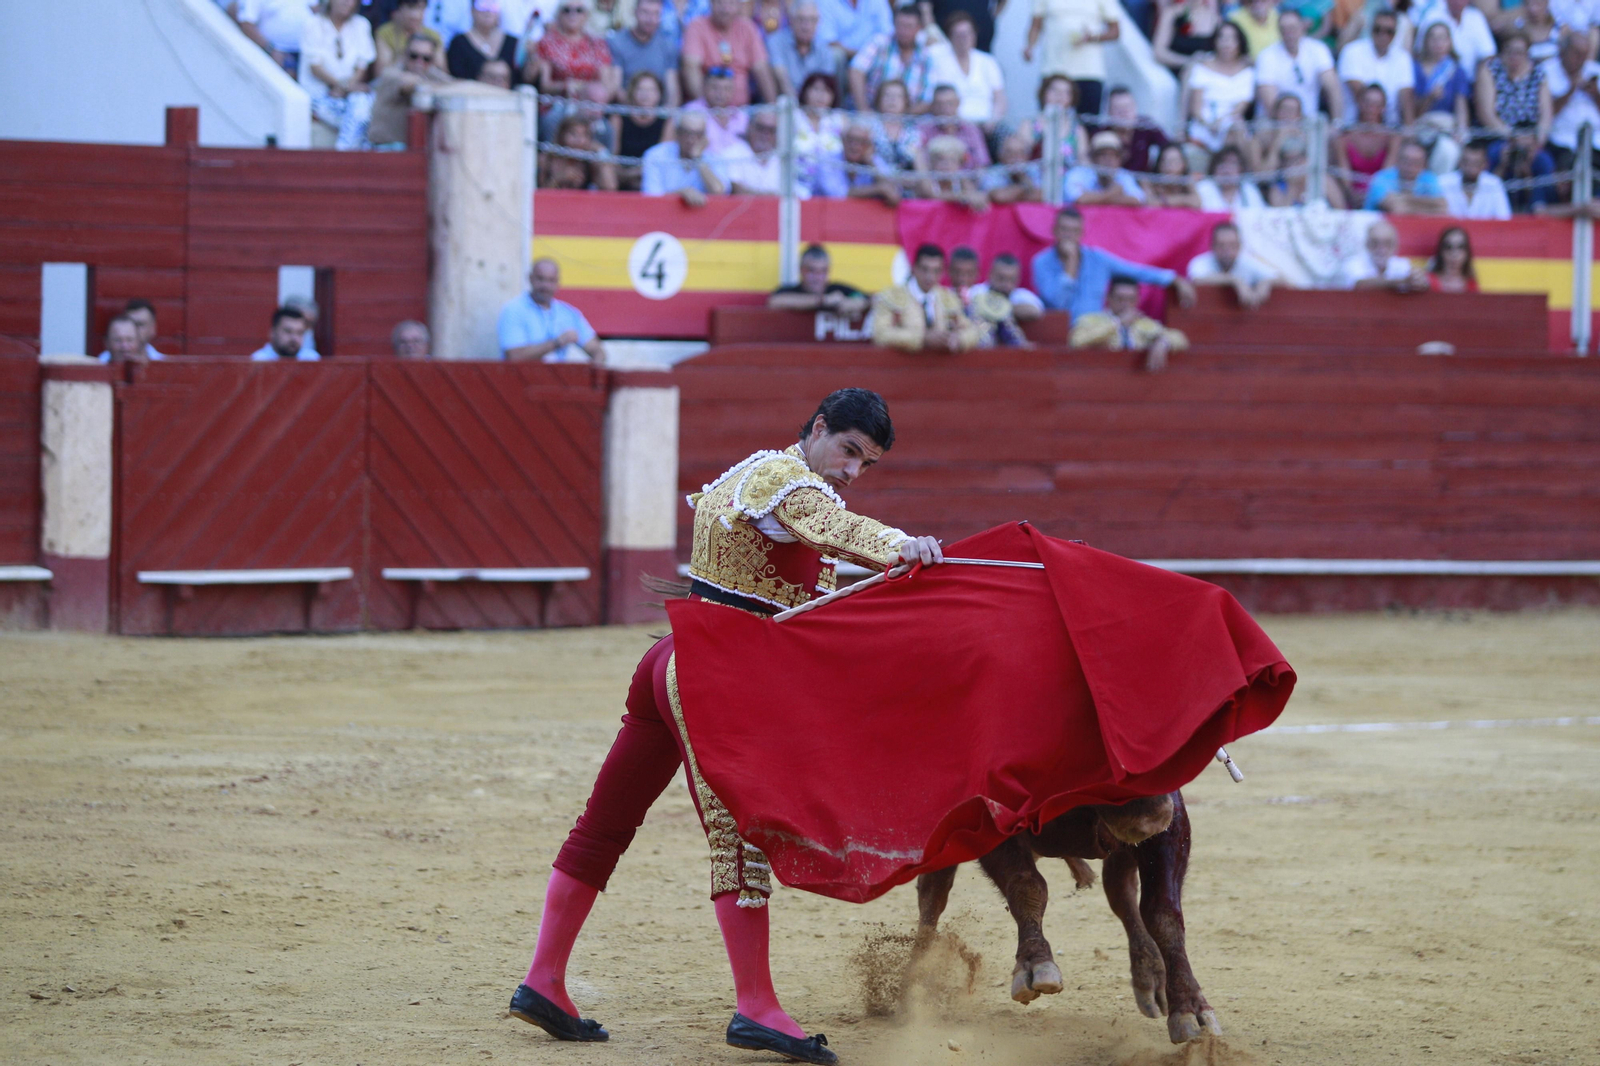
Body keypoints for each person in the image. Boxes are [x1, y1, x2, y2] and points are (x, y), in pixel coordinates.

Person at [509, 387, 942, 1066]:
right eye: (850, 451)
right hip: (711, 677)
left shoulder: (756, 470)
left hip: (672, 660)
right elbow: (835, 529)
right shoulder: (788, 482)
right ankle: (756, 1007)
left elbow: (803, 583)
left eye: (868, 464)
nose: (853, 472)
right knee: (738, 838)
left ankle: (544, 980)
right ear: (820, 428)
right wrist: (899, 546)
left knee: (605, 823)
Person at [1031, 207, 1197, 321]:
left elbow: (1136, 271)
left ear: (1081, 233)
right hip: (1057, 337)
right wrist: (1071, 264)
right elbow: (1059, 305)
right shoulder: (1041, 262)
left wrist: (1174, 279)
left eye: (1074, 231)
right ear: (1054, 231)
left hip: (1094, 334)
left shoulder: (1098, 259)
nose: (1069, 236)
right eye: (1064, 230)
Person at [1478, 31, 1554, 212]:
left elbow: (1546, 114)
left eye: (1520, 52)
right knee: (1494, 157)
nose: (1514, 56)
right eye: (1510, 51)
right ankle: (1492, 209)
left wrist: (1537, 139)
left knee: (1544, 163)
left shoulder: (1538, 73)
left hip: (1530, 137)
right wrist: (1512, 136)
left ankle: (1536, 209)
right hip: (1499, 135)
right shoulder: (1490, 70)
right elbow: (1486, 114)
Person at [872, 244, 982, 351]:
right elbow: (880, 334)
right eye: (925, 269)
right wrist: (922, 338)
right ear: (914, 268)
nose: (930, 277)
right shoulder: (892, 296)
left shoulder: (948, 298)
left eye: (936, 271)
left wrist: (957, 339)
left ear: (942, 272)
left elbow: (972, 331)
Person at [300, 0, 378, 150]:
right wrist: (340, 85)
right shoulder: (313, 23)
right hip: (320, 93)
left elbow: (362, 65)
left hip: (347, 93)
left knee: (362, 106)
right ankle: (351, 154)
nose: (347, 3)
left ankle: (343, 151)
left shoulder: (361, 24)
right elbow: (315, 67)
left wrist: (345, 88)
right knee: (361, 118)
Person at [1069, 275, 1189, 372]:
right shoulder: (1091, 320)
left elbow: (1180, 338)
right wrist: (1118, 323)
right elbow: (1076, 341)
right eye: (1120, 299)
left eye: (1131, 299)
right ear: (1108, 298)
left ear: (1137, 300)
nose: (1126, 304)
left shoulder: (1143, 324)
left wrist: (1163, 342)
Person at [1024, 0, 1122, 117]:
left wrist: (1092, 37)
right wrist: (1030, 47)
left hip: (1089, 72)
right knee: (1049, 123)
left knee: (1088, 125)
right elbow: (1035, 25)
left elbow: (1115, 31)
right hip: (1053, 70)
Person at [498, 259, 607, 363]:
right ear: (530, 279)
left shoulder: (568, 313)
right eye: (541, 279)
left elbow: (598, 352)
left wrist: (592, 376)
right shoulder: (513, 310)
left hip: (559, 380)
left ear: (558, 282)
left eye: (551, 280)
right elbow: (514, 356)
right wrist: (558, 342)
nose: (546, 285)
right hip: (522, 380)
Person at [682, 0, 777, 103]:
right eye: (720, 3)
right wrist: (705, 108)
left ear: (738, 6)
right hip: (706, 110)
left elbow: (761, 69)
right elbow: (690, 67)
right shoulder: (696, 27)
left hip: (742, 110)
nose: (725, 9)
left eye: (731, 3)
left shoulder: (747, 28)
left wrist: (772, 106)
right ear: (711, 3)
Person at [1543, 31, 1600, 198]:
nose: (1581, 59)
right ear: (1563, 50)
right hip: (1560, 140)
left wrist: (1596, 95)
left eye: (1584, 54)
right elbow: (1546, 113)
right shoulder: (1546, 71)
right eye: (1576, 54)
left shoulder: (1595, 71)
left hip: (1596, 140)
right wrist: (1571, 89)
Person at [369, 33, 453, 146]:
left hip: (415, 149)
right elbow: (409, 83)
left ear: (432, 60)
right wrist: (439, 86)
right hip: (387, 147)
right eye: (414, 56)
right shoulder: (390, 74)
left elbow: (453, 84)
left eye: (426, 58)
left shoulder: (430, 73)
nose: (420, 62)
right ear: (404, 55)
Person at [1411, 21, 1473, 174]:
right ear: (1425, 42)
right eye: (1433, 38)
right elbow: (1411, 111)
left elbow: (1461, 106)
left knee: (1448, 150)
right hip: (1421, 125)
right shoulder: (1414, 68)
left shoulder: (1456, 71)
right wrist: (1429, 97)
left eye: (1442, 38)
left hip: (1446, 126)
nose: (1438, 43)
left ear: (1449, 42)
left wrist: (1461, 131)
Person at [849, 6, 937, 113]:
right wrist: (863, 109)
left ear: (919, 28)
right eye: (900, 25)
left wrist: (898, 120)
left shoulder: (926, 56)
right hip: (872, 113)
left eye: (909, 26)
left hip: (909, 120)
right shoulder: (879, 43)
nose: (903, 31)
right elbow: (856, 71)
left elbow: (928, 99)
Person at [1186, 21, 1255, 155]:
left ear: (1239, 42)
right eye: (1222, 38)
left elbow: (1240, 108)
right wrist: (1209, 124)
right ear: (1215, 41)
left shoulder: (1247, 72)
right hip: (1204, 125)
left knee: (1236, 130)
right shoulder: (1201, 67)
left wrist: (1221, 123)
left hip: (1230, 123)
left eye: (1232, 39)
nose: (1226, 43)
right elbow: (1195, 108)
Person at [927, 12, 1006, 129]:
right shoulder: (936, 58)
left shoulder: (988, 61)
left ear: (974, 35)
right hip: (951, 125)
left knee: (1013, 143)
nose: (963, 39)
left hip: (987, 125)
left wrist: (993, 121)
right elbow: (931, 96)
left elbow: (1000, 99)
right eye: (958, 35)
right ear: (950, 37)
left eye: (967, 34)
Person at [1255, 9, 1338, 119]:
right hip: (1276, 123)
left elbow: (1332, 86)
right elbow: (1270, 101)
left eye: (1292, 28)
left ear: (1302, 27)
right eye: (1283, 29)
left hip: (1309, 121)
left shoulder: (1318, 49)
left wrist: (1337, 121)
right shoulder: (1266, 56)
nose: (1288, 33)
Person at [1336, 10, 1412, 124]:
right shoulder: (1352, 51)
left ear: (1395, 34)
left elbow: (1406, 99)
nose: (1383, 35)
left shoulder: (1403, 57)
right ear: (1371, 29)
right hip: (1354, 126)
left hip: (1391, 129)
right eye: (1378, 29)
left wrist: (1410, 130)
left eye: (1389, 31)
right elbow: (1362, 97)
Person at [1332, 84, 1400, 206]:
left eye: (1377, 105)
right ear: (1359, 104)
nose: (1371, 108)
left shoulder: (1392, 138)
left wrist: (1371, 195)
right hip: (1351, 196)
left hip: (1382, 195)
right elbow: (1344, 174)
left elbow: (1387, 174)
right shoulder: (1344, 137)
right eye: (1367, 103)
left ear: (1383, 108)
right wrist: (1351, 194)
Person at [642, 111, 727, 205]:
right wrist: (681, 194)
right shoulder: (656, 155)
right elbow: (651, 198)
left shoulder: (713, 157)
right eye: (686, 133)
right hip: (663, 217)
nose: (691, 139)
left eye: (698, 134)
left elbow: (719, 192)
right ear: (677, 133)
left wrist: (697, 158)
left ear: (704, 136)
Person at [535, 0, 615, 97]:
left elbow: (605, 83)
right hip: (558, 102)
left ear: (586, 15)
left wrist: (588, 91)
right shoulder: (547, 42)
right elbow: (545, 85)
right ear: (559, 14)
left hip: (591, 101)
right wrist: (565, 86)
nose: (573, 14)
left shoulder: (597, 44)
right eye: (567, 10)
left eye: (579, 10)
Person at [1186, 220, 1273, 309]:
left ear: (1239, 246)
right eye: (1221, 245)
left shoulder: (1247, 262)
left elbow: (1280, 278)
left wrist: (1266, 282)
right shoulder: (1200, 262)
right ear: (1212, 246)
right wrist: (1233, 281)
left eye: (1232, 245)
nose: (1227, 250)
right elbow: (1197, 280)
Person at [608, 0, 681, 105]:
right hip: (626, 109)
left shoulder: (668, 46)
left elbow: (673, 91)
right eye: (645, 12)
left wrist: (666, 117)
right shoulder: (617, 42)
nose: (650, 19)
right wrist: (640, 112)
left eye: (656, 13)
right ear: (635, 12)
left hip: (658, 112)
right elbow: (615, 87)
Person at [810, 121, 903, 202]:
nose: (854, 146)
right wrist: (878, 189)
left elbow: (894, 196)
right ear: (843, 140)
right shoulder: (828, 161)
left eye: (861, 141)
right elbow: (838, 194)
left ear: (868, 145)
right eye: (851, 140)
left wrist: (871, 164)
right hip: (825, 218)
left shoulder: (874, 161)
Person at [768, 244, 870, 316]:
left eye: (822, 271)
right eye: (812, 271)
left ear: (828, 271)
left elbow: (868, 299)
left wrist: (856, 303)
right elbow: (775, 301)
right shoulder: (792, 291)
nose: (817, 277)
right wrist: (823, 300)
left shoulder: (837, 289)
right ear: (801, 270)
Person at [1086, 85, 1167, 173]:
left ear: (1135, 107)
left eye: (1127, 107)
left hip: (1142, 182)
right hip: (1110, 182)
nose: (1124, 113)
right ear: (1109, 111)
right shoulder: (1101, 133)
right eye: (1118, 109)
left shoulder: (1146, 126)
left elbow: (1169, 147)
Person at [769, 0, 839, 99]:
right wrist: (796, 107)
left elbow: (826, 86)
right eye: (801, 19)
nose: (806, 26)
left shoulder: (824, 49)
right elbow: (782, 79)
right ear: (791, 20)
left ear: (818, 22)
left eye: (812, 20)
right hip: (785, 104)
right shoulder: (776, 42)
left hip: (815, 106)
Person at [614, 72, 673, 188]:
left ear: (659, 94)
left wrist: (637, 173)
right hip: (620, 179)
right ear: (632, 92)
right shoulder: (618, 118)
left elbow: (663, 159)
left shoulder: (666, 121)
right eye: (641, 89)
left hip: (654, 179)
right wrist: (625, 175)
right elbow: (612, 158)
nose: (646, 95)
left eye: (651, 90)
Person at [1338, 218, 1427, 291]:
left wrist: (1419, 281)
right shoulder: (1352, 263)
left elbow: (1421, 285)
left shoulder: (1402, 265)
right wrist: (1400, 282)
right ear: (1366, 244)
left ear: (1395, 246)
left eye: (1387, 243)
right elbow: (1359, 285)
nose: (1381, 249)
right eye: (1375, 243)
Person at [714, 110, 790, 195]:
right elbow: (737, 190)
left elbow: (790, 194)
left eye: (771, 130)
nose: (766, 134)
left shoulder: (783, 158)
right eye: (761, 128)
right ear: (750, 127)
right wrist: (772, 196)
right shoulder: (732, 153)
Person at [1419, 0, 1496, 81]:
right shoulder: (1432, 15)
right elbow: (1420, 51)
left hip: (1472, 79)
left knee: (1487, 69)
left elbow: (1488, 53)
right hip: (1439, 79)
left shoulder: (1476, 16)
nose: (1458, 2)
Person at [1363, 138, 1446, 213]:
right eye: (1406, 161)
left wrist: (1402, 200)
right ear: (1397, 161)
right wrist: (1429, 204)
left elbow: (1442, 207)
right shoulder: (1381, 178)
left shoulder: (1429, 178)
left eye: (1416, 163)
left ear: (1424, 165)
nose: (1410, 167)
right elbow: (1396, 209)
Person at [1065, 130, 1147, 204]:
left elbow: (1137, 200)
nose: (1108, 160)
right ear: (1093, 158)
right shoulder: (1079, 173)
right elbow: (1079, 199)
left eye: (1113, 155)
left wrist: (1094, 198)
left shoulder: (1124, 175)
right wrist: (1111, 193)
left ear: (1119, 160)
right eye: (1103, 154)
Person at [920, 84, 991, 168]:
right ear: (933, 106)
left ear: (958, 103)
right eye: (939, 104)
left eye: (950, 103)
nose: (945, 109)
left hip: (968, 179)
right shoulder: (923, 130)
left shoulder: (971, 130)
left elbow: (982, 162)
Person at [448, 0, 521, 81]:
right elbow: (454, 77)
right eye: (482, 5)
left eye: (492, 6)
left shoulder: (514, 43)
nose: (488, 11)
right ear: (472, 10)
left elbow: (521, 76)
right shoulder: (458, 43)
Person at [543, 113, 621, 188]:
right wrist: (558, 179)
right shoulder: (548, 159)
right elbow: (538, 194)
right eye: (573, 134)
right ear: (562, 135)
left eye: (584, 135)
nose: (579, 140)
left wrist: (601, 151)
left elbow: (610, 187)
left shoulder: (591, 161)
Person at [684, 67, 750, 154]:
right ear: (704, 87)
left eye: (726, 89)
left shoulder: (741, 116)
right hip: (700, 165)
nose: (721, 93)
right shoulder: (690, 111)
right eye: (715, 88)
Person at [239, 0, 314, 75]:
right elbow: (246, 24)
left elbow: (316, 10)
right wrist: (271, 50)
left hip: (304, 53)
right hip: (275, 52)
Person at [1029, 75, 1088, 171]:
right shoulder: (1029, 125)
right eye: (1054, 90)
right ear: (1044, 93)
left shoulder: (1078, 129)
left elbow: (1083, 160)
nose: (1060, 95)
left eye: (1066, 92)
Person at [1439, 140, 1511, 218]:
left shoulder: (1494, 184)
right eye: (1467, 163)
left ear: (1485, 164)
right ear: (1460, 162)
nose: (1471, 168)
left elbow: (1504, 217)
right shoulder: (1443, 182)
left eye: (1476, 163)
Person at [795, 73, 846, 181]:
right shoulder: (793, 117)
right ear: (805, 92)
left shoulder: (840, 119)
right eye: (816, 89)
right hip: (797, 183)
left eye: (826, 91)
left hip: (832, 185)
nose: (820, 95)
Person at [968, 252, 1045, 322]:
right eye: (1001, 278)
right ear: (990, 274)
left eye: (1011, 280)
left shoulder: (1021, 296)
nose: (1006, 284)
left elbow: (1035, 311)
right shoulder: (975, 292)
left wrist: (1001, 309)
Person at [919, 136, 990, 210]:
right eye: (941, 160)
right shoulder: (927, 179)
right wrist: (962, 196)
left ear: (959, 164)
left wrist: (976, 197)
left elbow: (972, 194)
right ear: (933, 163)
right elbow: (930, 195)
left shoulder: (961, 179)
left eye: (952, 160)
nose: (946, 165)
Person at [870, 79, 926, 172]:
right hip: (876, 182)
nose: (892, 100)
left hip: (908, 183)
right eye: (887, 95)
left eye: (898, 96)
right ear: (879, 99)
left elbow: (920, 167)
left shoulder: (914, 132)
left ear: (906, 101)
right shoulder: (868, 127)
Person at [1152, 0, 1221, 74]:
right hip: (1170, 74)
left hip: (1201, 77)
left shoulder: (1214, 20)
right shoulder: (1171, 13)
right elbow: (1159, 52)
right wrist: (1188, 61)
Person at [376, 0, 446, 71]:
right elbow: (381, 71)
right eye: (410, 8)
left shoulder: (433, 36)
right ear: (400, 8)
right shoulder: (386, 33)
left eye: (420, 8)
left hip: (426, 79)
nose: (415, 15)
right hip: (397, 78)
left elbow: (440, 69)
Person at [981, 130, 1046, 203]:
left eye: (1020, 153)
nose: (1015, 157)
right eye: (1009, 153)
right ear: (1000, 156)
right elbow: (999, 196)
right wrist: (1027, 189)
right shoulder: (993, 172)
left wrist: (1022, 178)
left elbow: (1042, 195)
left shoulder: (1033, 169)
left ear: (1027, 156)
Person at [1195, 144, 1266, 209]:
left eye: (1232, 163)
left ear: (1240, 169)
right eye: (1222, 163)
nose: (1226, 169)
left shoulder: (1248, 190)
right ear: (1214, 168)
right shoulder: (1203, 188)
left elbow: (1259, 215)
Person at [96, 299, 164, 363]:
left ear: (153, 328)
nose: (125, 346)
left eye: (140, 324)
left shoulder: (163, 364)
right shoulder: (100, 363)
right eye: (117, 340)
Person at [1144, 141, 1203, 206]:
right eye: (1165, 161)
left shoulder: (1187, 181)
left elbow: (1197, 203)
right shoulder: (1149, 180)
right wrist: (1185, 200)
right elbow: (1151, 203)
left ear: (1183, 164)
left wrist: (1166, 200)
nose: (1169, 167)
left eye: (1174, 161)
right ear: (1159, 164)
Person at [250, 306, 318, 361]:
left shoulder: (312, 359)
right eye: (288, 331)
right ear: (272, 333)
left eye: (299, 332)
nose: (294, 338)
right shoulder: (259, 361)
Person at [1426, 225, 1478, 292]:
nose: (1454, 254)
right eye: (1448, 247)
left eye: (1461, 247)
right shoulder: (1427, 282)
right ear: (1440, 252)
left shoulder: (1471, 285)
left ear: (1467, 253)